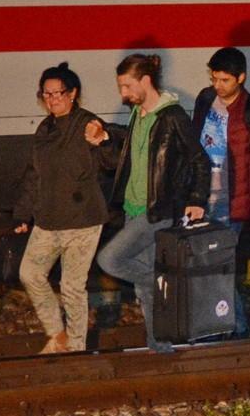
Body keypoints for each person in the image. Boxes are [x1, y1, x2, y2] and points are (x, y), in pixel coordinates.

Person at [87, 53, 211, 353]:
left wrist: (196, 199)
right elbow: (134, 147)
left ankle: (162, 282)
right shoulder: (139, 114)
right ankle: (161, 346)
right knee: (143, 288)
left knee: (110, 260)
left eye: (127, 86)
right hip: (133, 209)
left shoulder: (172, 117)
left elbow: (199, 160)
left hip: (156, 211)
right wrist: (105, 136)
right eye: (121, 87)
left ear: (145, 81)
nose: (123, 94)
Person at [11, 61, 112, 354]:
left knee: (71, 288)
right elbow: (34, 174)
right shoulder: (45, 129)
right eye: (47, 94)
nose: (53, 99)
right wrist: (23, 213)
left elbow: (112, 160)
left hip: (83, 220)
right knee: (30, 273)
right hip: (48, 218)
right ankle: (58, 334)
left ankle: (76, 347)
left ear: (73, 93)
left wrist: (104, 140)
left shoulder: (87, 123)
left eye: (59, 93)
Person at [190, 45, 250, 336]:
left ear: (240, 77)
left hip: (232, 202)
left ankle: (235, 330)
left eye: (224, 80)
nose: (217, 85)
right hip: (203, 198)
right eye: (214, 78)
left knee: (217, 267)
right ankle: (223, 328)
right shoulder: (205, 99)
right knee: (210, 268)